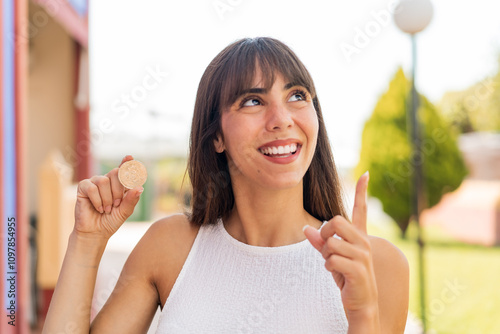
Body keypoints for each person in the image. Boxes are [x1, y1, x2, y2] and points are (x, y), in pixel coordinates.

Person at [43, 37, 409, 333]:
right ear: (216, 135)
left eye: (297, 95)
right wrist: (87, 243)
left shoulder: (378, 265)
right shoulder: (169, 247)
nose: (282, 119)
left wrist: (362, 315)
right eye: (253, 100)